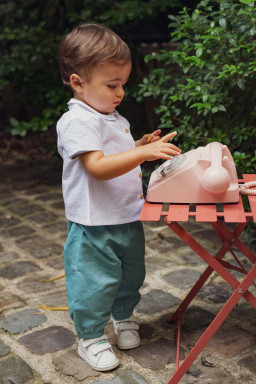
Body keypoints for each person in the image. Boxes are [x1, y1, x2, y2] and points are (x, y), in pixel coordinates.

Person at [57, 23, 181, 372]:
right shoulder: (77, 120)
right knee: (94, 282)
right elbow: (97, 166)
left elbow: (114, 154)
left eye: (123, 84)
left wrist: (138, 145)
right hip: (94, 223)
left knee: (130, 274)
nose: (120, 92)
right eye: (111, 84)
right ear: (78, 82)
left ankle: (123, 317)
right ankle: (91, 337)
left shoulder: (110, 117)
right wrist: (143, 155)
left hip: (126, 216)